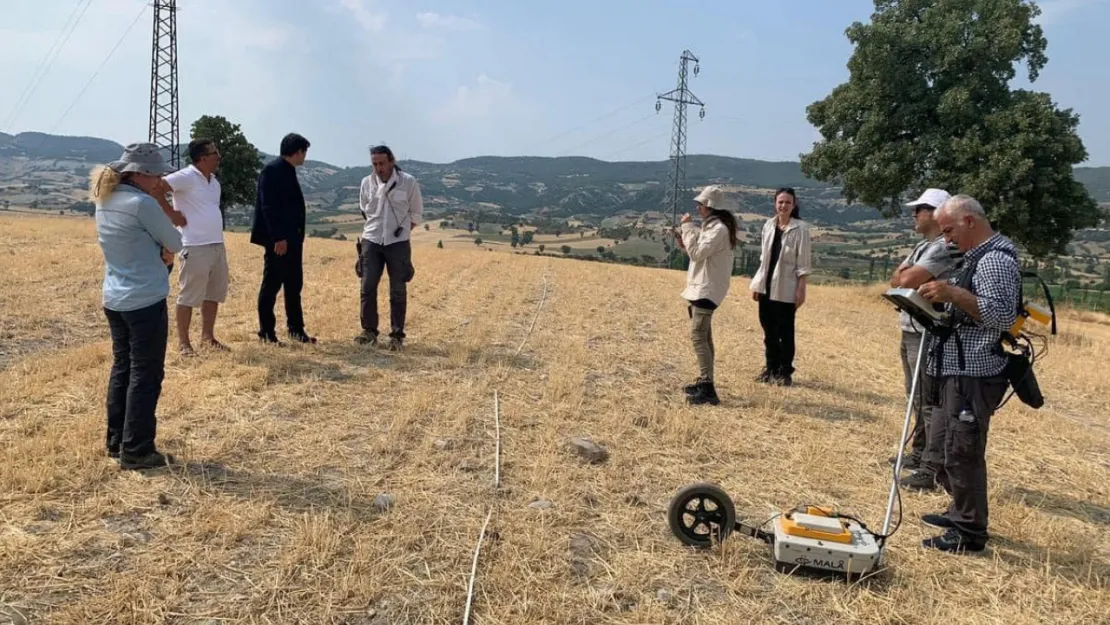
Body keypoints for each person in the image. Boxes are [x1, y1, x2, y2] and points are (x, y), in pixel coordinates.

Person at [917, 194, 1021, 554]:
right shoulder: (977, 257)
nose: (947, 239)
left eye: (949, 230)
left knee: (964, 450)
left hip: (975, 370)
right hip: (958, 368)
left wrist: (952, 292)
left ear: (970, 222)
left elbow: (1001, 317)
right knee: (949, 445)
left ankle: (969, 531)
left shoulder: (994, 261)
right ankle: (959, 510)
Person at [91, 143, 183, 470]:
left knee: (123, 369)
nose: (159, 179)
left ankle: (117, 441)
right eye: (156, 173)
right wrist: (164, 250)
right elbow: (176, 242)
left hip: (114, 297)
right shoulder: (142, 204)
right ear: (142, 174)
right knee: (146, 374)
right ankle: (138, 448)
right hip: (145, 298)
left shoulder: (106, 200)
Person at [887, 188, 962, 489]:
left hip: (927, 330)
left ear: (934, 212)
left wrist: (908, 276)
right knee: (916, 396)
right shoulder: (923, 246)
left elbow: (904, 279)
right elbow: (898, 280)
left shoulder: (944, 247)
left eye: (918, 209)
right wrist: (907, 276)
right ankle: (920, 453)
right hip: (912, 327)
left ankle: (931, 467)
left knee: (929, 399)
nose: (914, 215)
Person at [164, 138, 229, 355]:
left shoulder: (214, 182)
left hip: (216, 245)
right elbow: (158, 187)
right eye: (214, 154)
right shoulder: (186, 177)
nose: (218, 158)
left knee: (213, 294)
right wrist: (171, 213)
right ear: (202, 158)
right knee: (189, 296)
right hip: (194, 245)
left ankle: (207, 337)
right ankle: (184, 343)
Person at [355, 145, 423, 350]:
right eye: (375, 164)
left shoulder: (408, 182)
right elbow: (364, 210)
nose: (378, 168)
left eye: (382, 163)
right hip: (371, 240)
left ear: (391, 161)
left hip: (398, 243)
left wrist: (402, 231)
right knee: (367, 288)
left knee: (398, 290)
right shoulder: (366, 183)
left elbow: (416, 213)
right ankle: (369, 331)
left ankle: (396, 336)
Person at [676, 185, 739, 406]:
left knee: (698, 336)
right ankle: (705, 380)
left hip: (707, 289)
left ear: (710, 207)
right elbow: (699, 255)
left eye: (701, 204)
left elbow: (697, 253)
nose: (698, 207)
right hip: (704, 287)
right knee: (704, 337)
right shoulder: (715, 227)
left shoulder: (717, 229)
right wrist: (686, 238)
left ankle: (708, 388)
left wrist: (686, 228)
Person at [250, 132, 316, 345]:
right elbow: (268, 207)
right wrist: (277, 237)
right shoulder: (272, 170)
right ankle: (266, 333)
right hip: (279, 242)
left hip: (293, 241)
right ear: (298, 152)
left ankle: (296, 329)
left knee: (294, 286)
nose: (305, 157)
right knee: (271, 286)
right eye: (304, 152)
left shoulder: (287, 170)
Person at [748, 187, 813, 386]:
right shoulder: (768, 225)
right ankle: (770, 367)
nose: (783, 206)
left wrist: (801, 289)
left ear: (794, 205)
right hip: (766, 286)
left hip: (787, 287)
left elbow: (803, 263)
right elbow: (763, 259)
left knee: (785, 331)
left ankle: (785, 371)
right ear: (775, 204)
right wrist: (757, 284)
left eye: (787, 202)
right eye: (780, 202)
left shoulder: (800, 229)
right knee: (768, 330)